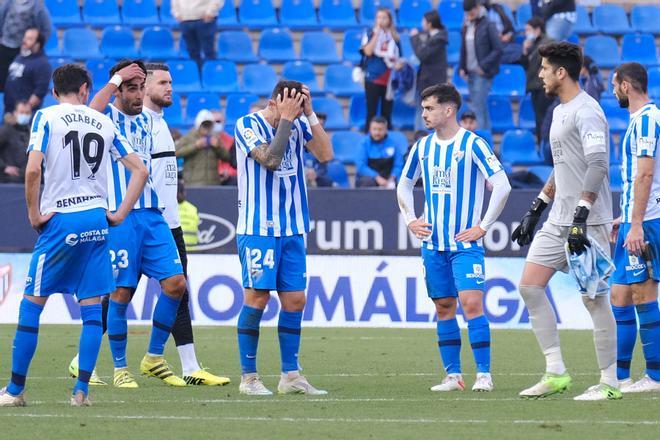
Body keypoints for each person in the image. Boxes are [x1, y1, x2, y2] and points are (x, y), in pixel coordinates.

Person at [0, 63, 148, 407]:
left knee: (32, 304)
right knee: (92, 310)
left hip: (61, 220)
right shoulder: (104, 121)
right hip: (97, 220)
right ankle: (81, 392)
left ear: (54, 92)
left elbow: (34, 167)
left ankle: (15, 390)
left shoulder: (46, 117)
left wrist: (34, 214)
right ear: (85, 90)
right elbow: (140, 169)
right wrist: (120, 213)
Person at [512, 42, 620, 401]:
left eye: (544, 68)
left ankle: (609, 382)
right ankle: (556, 372)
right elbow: (563, 167)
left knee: (594, 300)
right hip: (559, 220)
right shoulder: (559, 112)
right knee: (529, 286)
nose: (539, 74)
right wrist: (536, 207)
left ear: (561, 72)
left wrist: (581, 215)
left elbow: (598, 165)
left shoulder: (587, 111)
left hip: (587, 222)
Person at [397, 83, 511, 392]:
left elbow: (502, 185)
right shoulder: (422, 147)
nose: (424, 114)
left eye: (430, 108)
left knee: (472, 304)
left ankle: (484, 374)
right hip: (433, 245)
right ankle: (453, 376)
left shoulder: (473, 144)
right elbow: (404, 185)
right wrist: (410, 219)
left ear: (449, 110)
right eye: (423, 109)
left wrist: (484, 226)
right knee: (444, 307)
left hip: (465, 245)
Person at [86, 59, 188, 388]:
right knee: (121, 292)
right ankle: (120, 368)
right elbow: (91, 110)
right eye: (132, 88)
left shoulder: (148, 118)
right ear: (119, 90)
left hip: (153, 215)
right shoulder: (107, 118)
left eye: (142, 87)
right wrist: (117, 79)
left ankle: (154, 356)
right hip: (121, 216)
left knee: (176, 284)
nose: (139, 94)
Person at [233, 80, 333, 395]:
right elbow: (270, 159)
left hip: (292, 227)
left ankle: (290, 376)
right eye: (288, 107)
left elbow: (325, 154)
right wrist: (288, 120)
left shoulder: (300, 122)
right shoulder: (247, 124)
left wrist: (310, 114)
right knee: (258, 298)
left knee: (295, 300)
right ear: (274, 102)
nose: (292, 114)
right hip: (258, 227)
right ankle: (249, 378)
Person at [142, 63, 230, 386]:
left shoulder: (163, 125)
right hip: (145, 222)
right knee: (119, 292)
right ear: (145, 85)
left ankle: (190, 366)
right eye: (162, 82)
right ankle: (84, 362)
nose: (170, 88)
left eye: (171, 82)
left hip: (170, 223)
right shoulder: (140, 125)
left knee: (179, 292)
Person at [609, 62, 660, 393]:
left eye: (615, 85)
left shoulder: (645, 121)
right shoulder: (645, 119)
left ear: (626, 86)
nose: (613, 91)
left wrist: (637, 223)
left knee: (642, 293)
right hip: (634, 216)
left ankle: (655, 377)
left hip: (646, 220)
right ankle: (621, 376)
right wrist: (625, 216)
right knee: (620, 294)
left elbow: (645, 174)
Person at [459, 0, 501, 132]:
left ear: (477, 9)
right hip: (470, 72)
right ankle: (486, 139)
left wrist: (483, 66)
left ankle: (480, 140)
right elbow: (464, 48)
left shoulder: (488, 24)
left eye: (471, 13)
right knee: (481, 107)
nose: (469, 16)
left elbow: (498, 49)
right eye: (467, 14)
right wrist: (462, 67)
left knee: (477, 108)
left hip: (482, 73)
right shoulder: (466, 25)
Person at [360, 7, 401, 130]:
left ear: (389, 20)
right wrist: (376, 34)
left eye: (384, 17)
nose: (381, 20)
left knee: (386, 113)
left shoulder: (394, 37)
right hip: (373, 78)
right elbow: (367, 51)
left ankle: (386, 140)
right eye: (378, 17)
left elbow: (400, 57)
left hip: (389, 79)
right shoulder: (369, 33)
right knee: (371, 112)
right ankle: (368, 139)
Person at [0, 0, 50, 92]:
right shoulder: (8, 3)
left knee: (20, 82)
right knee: (2, 79)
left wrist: (37, 44)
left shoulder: (37, 7)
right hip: (4, 47)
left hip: (24, 50)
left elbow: (46, 29)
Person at [410, 10, 448, 131]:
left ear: (430, 23)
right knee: (420, 111)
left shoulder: (438, 39)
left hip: (431, 83)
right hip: (424, 82)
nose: (422, 24)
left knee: (427, 113)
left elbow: (422, 54)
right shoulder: (431, 37)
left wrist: (415, 38)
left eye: (424, 21)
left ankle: (424, 140)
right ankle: (418, 139)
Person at [176, 109, 232, 186]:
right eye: (204, 125)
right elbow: (176, 152)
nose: (206, 128)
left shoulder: (215, 137)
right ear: (198, 125)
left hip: (213, 183)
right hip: (193, 183)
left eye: (209, 125)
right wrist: (195, 146)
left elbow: (227, 157)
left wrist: (218, 147)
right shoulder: (189, 137)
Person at [521, 17, 554, 144]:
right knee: (539, 118)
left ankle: (544, 145)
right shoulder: (532, 45)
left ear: (538, 30)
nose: (526, 33)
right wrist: (524, 51)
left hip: (544, 87)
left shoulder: (548, 43)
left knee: (544, 118)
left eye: (528, 30)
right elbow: (526, 66)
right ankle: (541, 145)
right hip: (535, 86)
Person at [3, 28, 50, 115]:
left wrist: (24, 111)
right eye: (25, 37)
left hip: (24, 115)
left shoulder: (42, 64)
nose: (24, 40)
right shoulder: (20, 57)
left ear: (38, 44)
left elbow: (40, 92)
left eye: (29, 38)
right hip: (9, 110)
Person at [356, 116, 406, 188]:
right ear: (370, 129)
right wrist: (376, 177)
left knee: (402, 181)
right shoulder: (363, 144)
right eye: (374, 129)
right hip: (369, 178)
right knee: (367, 182)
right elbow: (361, 166)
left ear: (386, 130)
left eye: (380, 129)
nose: (377, 132)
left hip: (389, 178)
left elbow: (399, 164)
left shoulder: (393, 144)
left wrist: (393, 176)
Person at [172, 0, 220, 69]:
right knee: (192, 53)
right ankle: (196, 76)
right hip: (185, 21)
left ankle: (211, 77)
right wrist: (176, 13)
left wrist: (211, 12)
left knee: (209, 52)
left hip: (204, 20)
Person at [0, 101, 32, 182]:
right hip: (8, 180)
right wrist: (3, 167)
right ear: (15, 113)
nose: (24, 115)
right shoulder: (5, 130)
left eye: (27, 112)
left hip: (26, 180)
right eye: (21, 112)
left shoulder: (31, 132)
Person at [211, 109, 238, 186]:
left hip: (229, 178)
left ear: (224, 122)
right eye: (212, 122)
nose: (215, 124)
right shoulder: (202, 141)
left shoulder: (231, 141)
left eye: (218, 121)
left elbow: (235, 164)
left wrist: (229, 173)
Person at [177, 179, 199, 250]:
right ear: (184, 192)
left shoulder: (170, 209)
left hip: (178, 250)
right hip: (193, 249)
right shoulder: (193, 208)